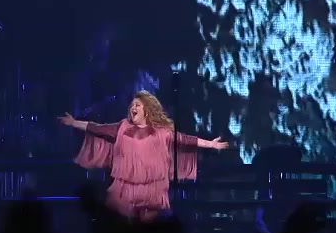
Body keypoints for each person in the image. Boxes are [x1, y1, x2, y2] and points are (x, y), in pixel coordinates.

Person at [59, 91, 228, 222]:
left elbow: (186, 140)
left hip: (153, 189)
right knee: (124, 225)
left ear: (146, 109)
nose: (133, 107)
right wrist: (74, 123)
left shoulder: (162, 132)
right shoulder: (122, 127)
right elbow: (97, 128)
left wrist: (211, 144)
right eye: (132, 105)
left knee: (148, 229)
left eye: (138, 105)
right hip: (125, 189)